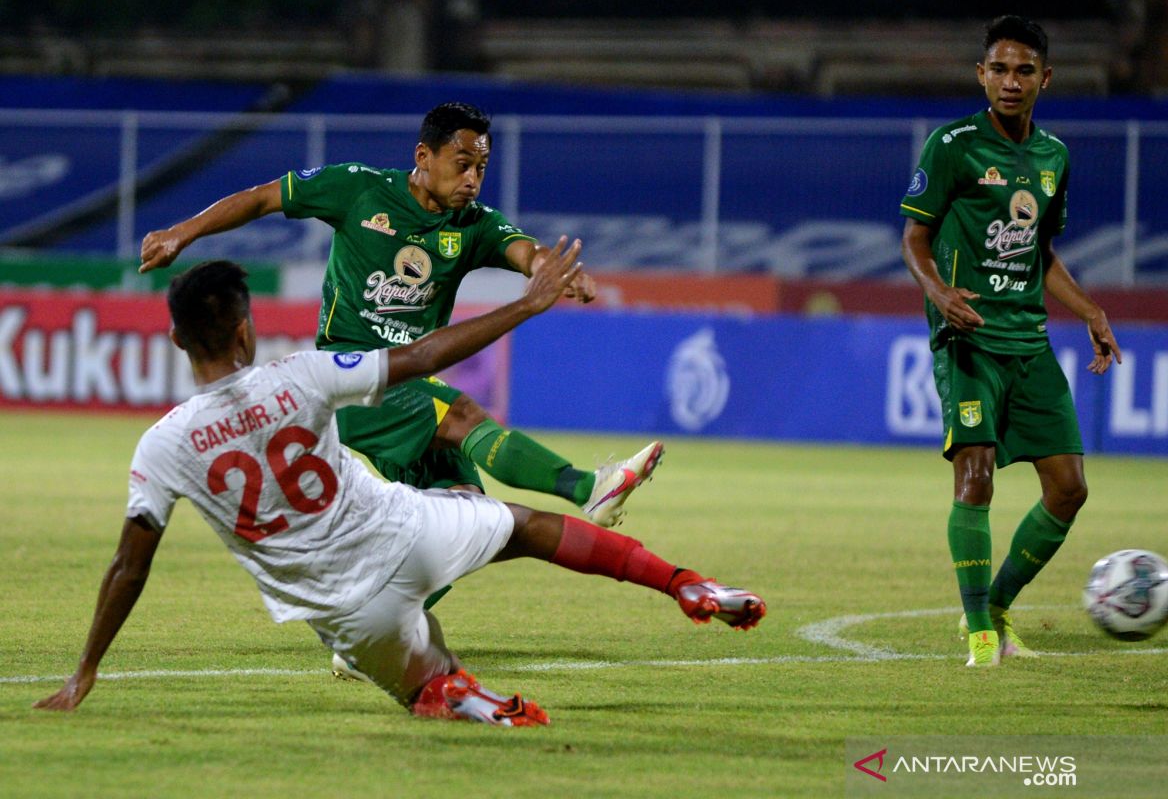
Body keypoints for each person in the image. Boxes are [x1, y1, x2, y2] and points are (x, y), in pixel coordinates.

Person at [34, 250, 765, 725]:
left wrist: (86, 670)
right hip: (407, 531)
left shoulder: (162, 446)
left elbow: (131, 565)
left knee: (423, 688)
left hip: (347, 616)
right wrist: (523, 305)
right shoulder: (301, 373)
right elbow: (420, 356)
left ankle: (459, 695)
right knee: (531, 529)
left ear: (174, 341)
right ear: (246, 333)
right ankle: (685, 584)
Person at [139, 101, 661, 533]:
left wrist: (557, 270)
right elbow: (261, 199)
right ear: (423, 155)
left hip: (409, 381)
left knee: (466, 519)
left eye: (481, 166)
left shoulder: (474, 225)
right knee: (463, 418)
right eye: (462, 162)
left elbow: (528, 252)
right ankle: (588, 488)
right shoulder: (358, 189)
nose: (473, 178)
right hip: (347, 378)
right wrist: (181, 233)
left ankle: (368, 636)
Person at [899, 16, 1122, 668]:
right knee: (975, 477)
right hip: (967, 339)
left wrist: (1090, 311)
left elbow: (1041, 253)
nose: (1010, 81)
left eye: (1024, 70)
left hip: (1030, 342)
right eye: (998, 69)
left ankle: (996, 604)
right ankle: (977, 632)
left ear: (1044, 78)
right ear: (981, 75)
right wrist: (941, 294)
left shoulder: (1054, 157)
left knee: (1070, 488)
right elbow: (913, 238)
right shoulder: (953, 145)